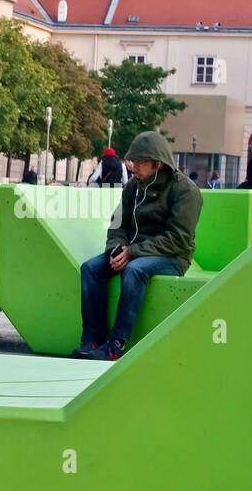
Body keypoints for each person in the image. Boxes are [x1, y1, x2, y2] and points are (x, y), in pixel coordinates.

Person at [72, 131, 202, 362]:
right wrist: (116, 247)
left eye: (140, 162)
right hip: (132, 250)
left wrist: (131, 253)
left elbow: (179, 238)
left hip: (172, 256)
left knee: (134, 270)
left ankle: (116, 345)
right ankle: (92, 340)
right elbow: (117, 223)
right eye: (132, 161)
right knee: (90, 268)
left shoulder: (186, 191)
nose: (133, 167)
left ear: (158, 163)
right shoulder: (134, 185)